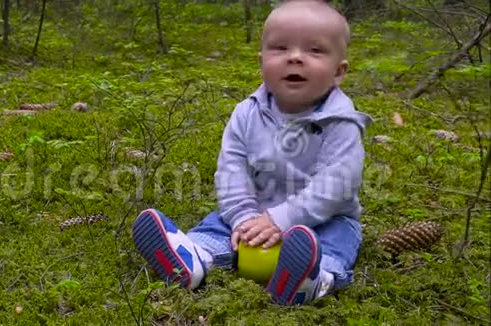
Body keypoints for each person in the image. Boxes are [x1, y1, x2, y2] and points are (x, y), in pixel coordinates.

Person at [131, 0, 373, 306]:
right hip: (254, 213)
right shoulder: (247, 113)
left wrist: (282, 219)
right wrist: (244, 217)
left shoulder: (340, 122)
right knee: (217, 224)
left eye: (314, 50)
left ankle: (313, 278)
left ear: (339, 72)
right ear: (261, 63)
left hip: (323, 218)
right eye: (280, 48)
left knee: (336, 240)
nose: (295, 58)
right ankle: (194, 257)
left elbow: (336, 185)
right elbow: (232, 170)